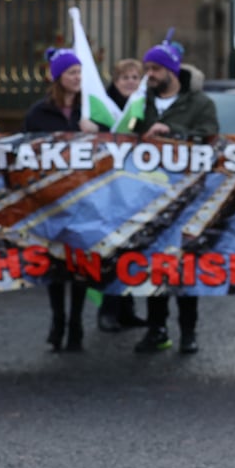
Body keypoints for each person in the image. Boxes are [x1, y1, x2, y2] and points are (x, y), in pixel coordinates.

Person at [132, 36, 219, 354]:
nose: (150, 74)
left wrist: (174, 135)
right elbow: (122, 135)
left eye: (155, 68)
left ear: (171, 70)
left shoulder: (199, 104)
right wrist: (142, 136)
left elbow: (210, 138)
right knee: (154, 265)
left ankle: (188, 331)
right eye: (147, 68)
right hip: (148, 195)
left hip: (188, 198)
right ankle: (156, 329)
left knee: (185, 267)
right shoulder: (140, 102)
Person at [23, 47, 95, 352]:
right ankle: (58, 321)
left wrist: (93, 132)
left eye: (80, 72)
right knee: (55, 263)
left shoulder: (90, 111)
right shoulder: (38, 113)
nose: (78, 78)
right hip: (51, 200)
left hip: (84, 198)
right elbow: (26, 154)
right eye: (71, 72)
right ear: (58, 77)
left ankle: (76, 323)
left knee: (80, 263)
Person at [95, 58, 148, 333]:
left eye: (135, 77)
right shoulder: (103, 110)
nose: (130, 81)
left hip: (136, 187)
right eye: (124, 77)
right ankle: (109, 309)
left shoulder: (142, 108)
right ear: (115, 82)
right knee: (111, 249)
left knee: (133, 249)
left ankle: (128, 309)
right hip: (107, 189)